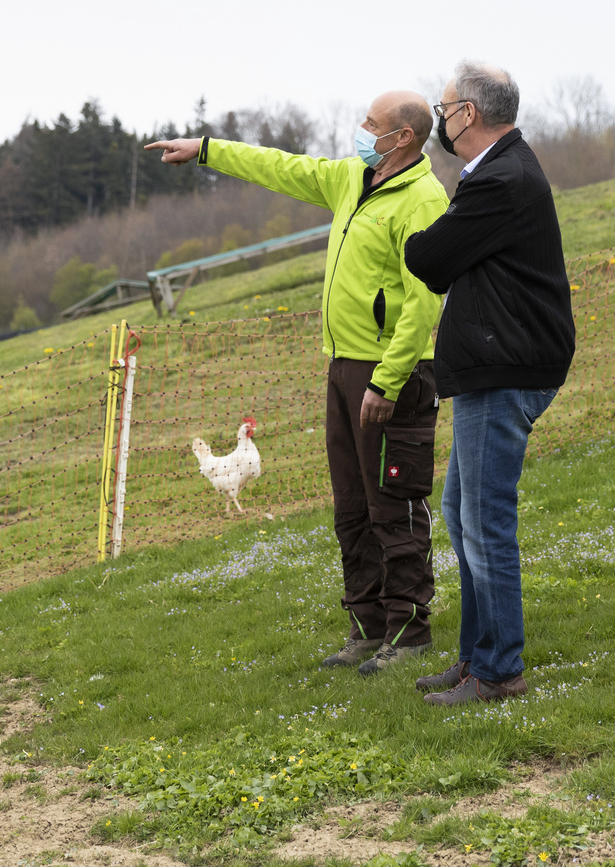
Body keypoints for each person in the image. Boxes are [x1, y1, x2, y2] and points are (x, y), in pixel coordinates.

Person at [147, 91, 448, 676]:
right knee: (352, 507)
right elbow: (281, 166)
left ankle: (410, 631)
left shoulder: (423, 200)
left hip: (391, 374)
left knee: (394, 504)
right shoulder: (352, 179)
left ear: (405, 136)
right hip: (342, 368)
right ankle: (367, 625)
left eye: (372, 125)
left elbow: (422, 302)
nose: (361, 132)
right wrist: (205, 150)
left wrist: (386, 384)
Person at [404, 62, 575, 705]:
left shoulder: (499, 179)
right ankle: (478, 657)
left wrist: (416, 234)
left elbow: (430, 259)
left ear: (468, 114)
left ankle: (500, 671)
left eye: (444, 108)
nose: (440, 119)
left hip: (504, 368)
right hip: (497, 363)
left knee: (484, 521)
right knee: (462, 512)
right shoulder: (503, 170)